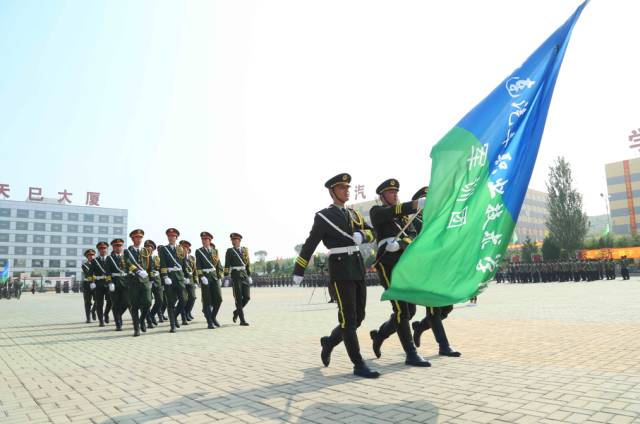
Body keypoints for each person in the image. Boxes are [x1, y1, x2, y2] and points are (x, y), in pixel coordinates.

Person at [292, 173, 380, 378]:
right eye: (342, 188)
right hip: (340, 270)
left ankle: (329, 342)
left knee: (359, 317)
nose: (346, 191)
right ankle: (359, 364)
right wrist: (299, 269)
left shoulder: (355, 214)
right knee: (349, 319)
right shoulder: (324, 216)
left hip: (357, 267)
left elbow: (372, 232)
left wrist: (362, 235)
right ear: (332, 192)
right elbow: (310, 243)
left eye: (348, 188)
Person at [368, 179, 430, 367]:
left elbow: (412, 235)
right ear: (382, 196)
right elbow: (392, 212)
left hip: (404, 263)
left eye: (396, 191)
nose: (395, 194)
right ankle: (411, 353)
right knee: (401, 309)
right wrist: (414, 205)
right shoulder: (377, 211)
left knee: (410, 311)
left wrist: (401, 244)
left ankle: (380, 335)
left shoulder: (405, 219)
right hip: (387, 264)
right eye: (390, 192)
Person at [409, 186, 461, 357]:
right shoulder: (413, 221)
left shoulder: (438, 220)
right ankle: (444, 346)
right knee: (433, 310)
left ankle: (420, 327)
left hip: (440, 269)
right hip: (425, 271)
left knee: (447, 308)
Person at [159, 228, 188, 333]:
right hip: (170, 277)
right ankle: (172, 325)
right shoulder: (163, 249)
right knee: (170, 302)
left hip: (180, 277)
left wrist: (186, 276)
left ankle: (175, 316)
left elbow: (184, 264)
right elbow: (162, 263)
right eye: (169, 236)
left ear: (176, 238)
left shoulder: (181, 249)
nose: (171, 238)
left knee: (184, 299)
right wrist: (165, 276)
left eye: (173, 237)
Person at [125, 229, 153, 337]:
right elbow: (128, 263)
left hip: (145, 280)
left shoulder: (146, 251)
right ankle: (136, 328)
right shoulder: (128, 251)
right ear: (133, 239)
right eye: (136, 237)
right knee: (135, 305)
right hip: (134, 281)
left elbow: (151, 266)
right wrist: (137, 271)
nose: (139, 239)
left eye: (140, 237)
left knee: (148, 302)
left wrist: (151, 279)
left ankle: (142, 320)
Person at [196, 231, 224, 329]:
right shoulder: (199, 251)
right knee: (207, 301)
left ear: (210, 240)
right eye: (202, 239)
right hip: (205, 278)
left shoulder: (215, 251)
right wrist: (201, 276)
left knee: (219, 299)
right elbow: (198, 265)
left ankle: (213, 317)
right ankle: (209, 322)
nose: (204, 241)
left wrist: (220, 276)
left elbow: (219, 265)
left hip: (214, 277)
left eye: (206, 239)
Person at [224, 233, 252, 326]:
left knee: (247, 297)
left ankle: (236, 312)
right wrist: (226, 276)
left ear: (239, 241)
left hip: (244, 275)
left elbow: (248, 263)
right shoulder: (230, 251)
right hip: (236, 276)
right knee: (238, 299)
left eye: (235, 240)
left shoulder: (245, 250)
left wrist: (249, 275)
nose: (233, 242)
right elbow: (227, 264)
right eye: (232, 240)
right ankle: (242, 320)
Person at [105, 238, 129, 332]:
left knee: (126, 303)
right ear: (113, 247)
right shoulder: (109, 258)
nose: (118, 248)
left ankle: (118, 316)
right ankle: (118, 323)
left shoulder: (125, 257)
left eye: (120, 246)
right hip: (115, 283)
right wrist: (110, 282)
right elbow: (107, 272)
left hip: (125, 283)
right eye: (116, 246)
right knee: (115, 304)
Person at [91, 241, 112, 326]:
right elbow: (90, 272)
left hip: (109, 283)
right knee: (99, 303)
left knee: (110, 301)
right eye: (101, 249)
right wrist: (91, 282)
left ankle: (106, 313)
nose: (103, 250)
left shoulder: (111, 259)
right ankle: (101, 320)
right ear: (98, 250)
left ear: (107, 249)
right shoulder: (95, 261)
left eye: (104, 248)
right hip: (99, 284)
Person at [145, 239, 164, 326]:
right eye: (147, 247)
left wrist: (163, 282)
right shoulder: (142, 257)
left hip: (157, 281)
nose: (149, 248)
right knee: (148, 302)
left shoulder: (157, 258)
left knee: (160, 300)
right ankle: (148, 320)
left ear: (153, 249)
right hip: (146, 281)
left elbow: (161, 270)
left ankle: (152, 315)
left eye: (151, 247)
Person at [180, 240, 198, 324]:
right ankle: (183, 318)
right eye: (183, 248)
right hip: (182, 280)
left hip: (190, 280)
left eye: (186, 248)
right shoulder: (179, 257)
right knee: (183, 299)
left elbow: (195, 270)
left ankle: (187, 312)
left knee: (192, 297)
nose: (184, 249)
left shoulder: (192, 258)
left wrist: (195, 280)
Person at [81, 249, 96, 323]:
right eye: (89, 255)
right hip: (87, 285)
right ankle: (88, 318)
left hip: (96, 284)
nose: (91, 257)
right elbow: (88, 274)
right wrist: (92, 281)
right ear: (87, 257)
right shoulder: (85, 265)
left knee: (98, 300)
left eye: (92, 255)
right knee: (87, 302)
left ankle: (93, 310)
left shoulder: (98, 264)